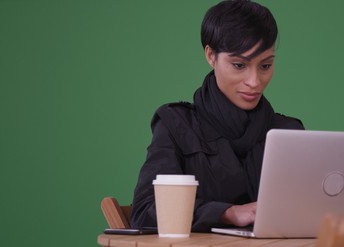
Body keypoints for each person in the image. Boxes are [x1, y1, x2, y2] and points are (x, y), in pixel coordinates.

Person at [130, 0, 304, 232]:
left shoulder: (288, 132)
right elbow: (145, 211)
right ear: (211, 55)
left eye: (265, 66)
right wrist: (226, 213)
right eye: (239, 65)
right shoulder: (176, 125)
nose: (254, 81)